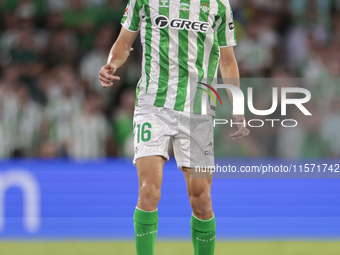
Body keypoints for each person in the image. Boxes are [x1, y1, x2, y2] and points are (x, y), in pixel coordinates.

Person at [99, 0, 249, 254]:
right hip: (153, 105)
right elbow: (124, 43)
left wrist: (238, 105)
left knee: (201, 199)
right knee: (148, 192)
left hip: (198, 108)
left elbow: (227, 61)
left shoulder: (218, 5)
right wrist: (112, 63)